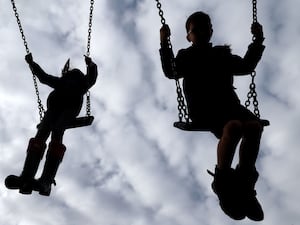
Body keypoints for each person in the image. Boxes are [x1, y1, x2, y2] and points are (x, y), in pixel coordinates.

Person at [159, 11, 265, 221]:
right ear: (189, 36)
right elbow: (171, 72)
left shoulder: (222, 54)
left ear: (211, 30)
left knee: (254, 126)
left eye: (205, 26)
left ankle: (245, 185)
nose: (201, 30)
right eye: (194, 29)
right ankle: (223, 182)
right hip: (203, 107)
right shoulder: (185, 56)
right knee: (234, 127)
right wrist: (164, 42)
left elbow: (245, 66)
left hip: (229, 104)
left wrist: (258, 40)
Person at [5, 53, 98, 196]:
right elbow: (91, 77)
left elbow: (43, 77)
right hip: (59, 110)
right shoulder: (79, 84)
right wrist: (90, 65)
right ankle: (40, 179)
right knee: (50, 134)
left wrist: (32, 64)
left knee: (46, 133)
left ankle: (36, 178)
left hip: (63, 110)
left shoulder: (68, 83)